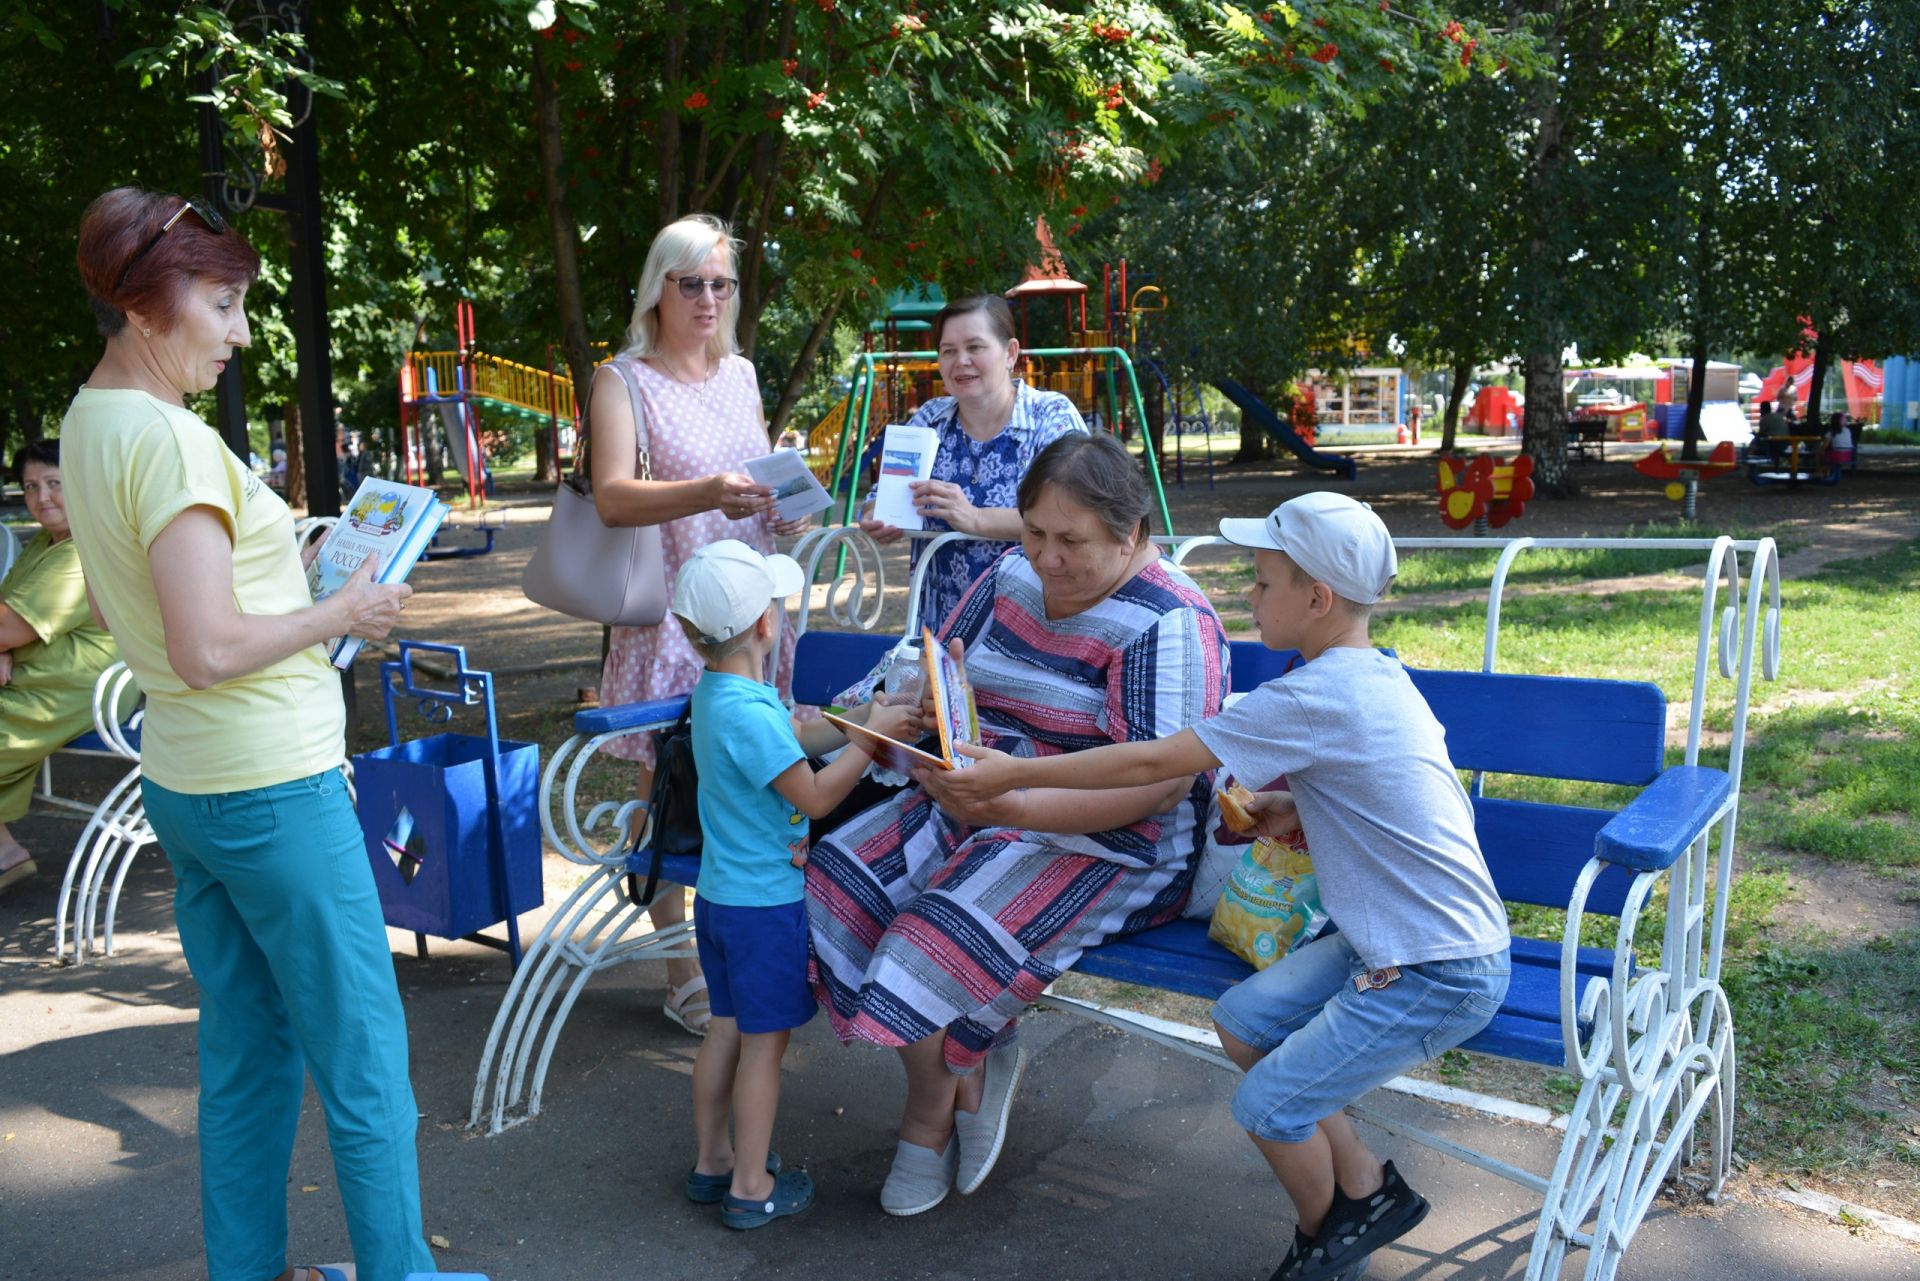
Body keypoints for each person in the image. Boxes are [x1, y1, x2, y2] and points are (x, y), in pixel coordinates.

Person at [940, 492, 1512, 1281]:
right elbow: (1382, 788)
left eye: (1265, 581)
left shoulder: (1316, 693)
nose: (1251, 594)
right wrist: (1291, 803)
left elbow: (1150, 760)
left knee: (1268, 1106)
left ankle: (1325, 1239)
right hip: (1384, 938)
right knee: (1244, 1020)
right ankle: (1367, 1192)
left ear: (1317, 598)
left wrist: (1019, 773)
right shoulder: (1367, 673)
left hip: (1436, 965)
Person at [61, 187, 431, 1281]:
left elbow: (177, 615)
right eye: (221, 304)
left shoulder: (90, 420)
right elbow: (208, 647)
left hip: (194, 784)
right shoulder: (169, 443)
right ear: (145, 301)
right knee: (364, 1066)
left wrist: (295, 558)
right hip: (274, 789)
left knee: (247, 1062)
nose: (239, 330)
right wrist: (343, 612)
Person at [809, 432, 1229, 1216]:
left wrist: (1013, 803)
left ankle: (929, 1116)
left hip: (1109, 838)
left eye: (1072, 541)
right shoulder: (1008, 575)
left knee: (927, 940)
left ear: (1131, 535)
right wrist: (934, 707)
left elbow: (1157, 786)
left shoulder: (1167, 621)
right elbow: (949, 667)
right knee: (842, 875)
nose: (1047, 557)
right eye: (1035, 531)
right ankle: (971, 1052)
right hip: (981, 794)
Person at [589, 213, 813, 1038]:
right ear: (659, 288)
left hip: (751, 610)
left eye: (722, 283)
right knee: (670, 780)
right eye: (694, 283)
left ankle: (740, 948)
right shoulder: (624, 380)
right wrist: (710, 492)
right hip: (678, 614)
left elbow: (749, 480)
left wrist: (775, 510)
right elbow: (612, 496)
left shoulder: (741, 375)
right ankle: (680, 963)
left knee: (750, 779)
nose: (711, 298)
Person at [670, 540, 921, 1229]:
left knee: (726, 1030)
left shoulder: (723, 694)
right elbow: (812, 796)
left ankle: (714, 1160)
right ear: (765, 625)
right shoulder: (746, 712)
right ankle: (752, 1185)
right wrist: (870, 743)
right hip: (762, 910)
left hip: (722, 901)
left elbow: (793, 739)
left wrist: (856, 724)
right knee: (764, 1046)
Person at [857, 294, 1088, 630]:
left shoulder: (1050, 416)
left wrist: (975, 518)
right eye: (948, 350)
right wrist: (877, 517)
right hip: (940, 629)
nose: (960, 361)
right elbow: (878, 498)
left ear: (1010, 353)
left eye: (975, 347)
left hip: (1035, 626)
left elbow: (1077, 514)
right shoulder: (929, 419)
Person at [0, 440, 121, 895]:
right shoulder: (48, 544)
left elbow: (9, 626)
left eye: (55, 484)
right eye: (31, 486)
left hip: (78, 683)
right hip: (39, 674)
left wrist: (6, 642)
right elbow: (7, 618)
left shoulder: (80, 550)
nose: (42, 497)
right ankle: (5, 855)